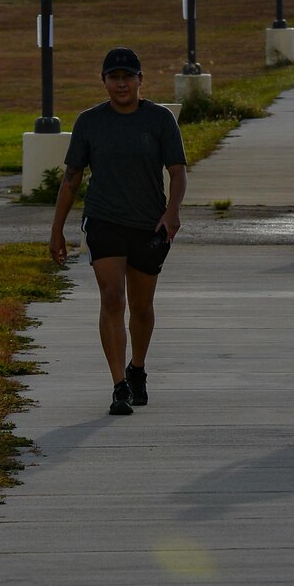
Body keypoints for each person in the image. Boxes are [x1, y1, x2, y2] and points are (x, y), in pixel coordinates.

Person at [49, 47, 187, 418]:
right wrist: (57, 229)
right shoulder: (90, 122)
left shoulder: (159, 120)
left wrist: (172, 213)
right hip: (104, 221)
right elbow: (72, 177)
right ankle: (118, 386)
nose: (122, 83)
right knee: (112, 298)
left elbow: (177, 171)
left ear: (141, 80)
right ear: (105, 82)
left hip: (148, 224)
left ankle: (137, 369)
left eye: (129, 76)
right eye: (114, 77)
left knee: (141, 306)